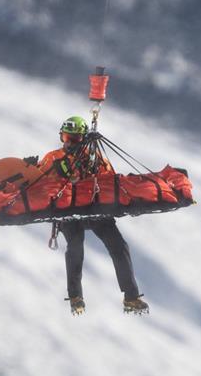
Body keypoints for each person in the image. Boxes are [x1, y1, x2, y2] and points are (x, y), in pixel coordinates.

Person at [38, 116, 149, 316]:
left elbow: (109, 181)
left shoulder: (95, 158)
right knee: (75, 246)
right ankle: (75, 297)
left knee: (119, 246)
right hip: (68, 212)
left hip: (94, 209)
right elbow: (41, 184)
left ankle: (131, 297)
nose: (69, 143)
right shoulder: (53, 159)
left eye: (74, 139)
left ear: (83, 139)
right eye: (66, 137)